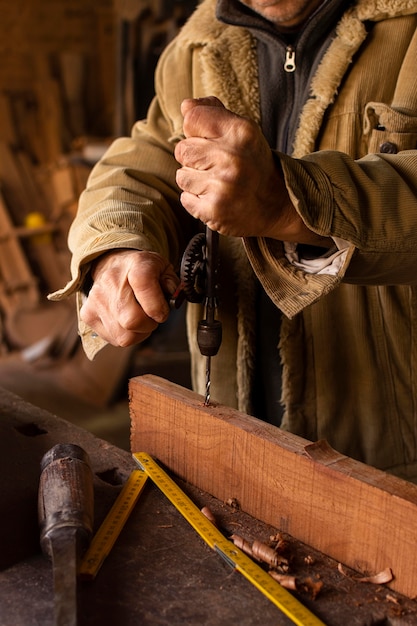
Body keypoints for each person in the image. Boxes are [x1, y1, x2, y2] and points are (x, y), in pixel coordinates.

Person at [50, 0, 417, 482]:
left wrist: (289, 201)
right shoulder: (196, 46)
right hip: (238, 428)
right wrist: (119, 243)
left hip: (393, 454)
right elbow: (148, 162)